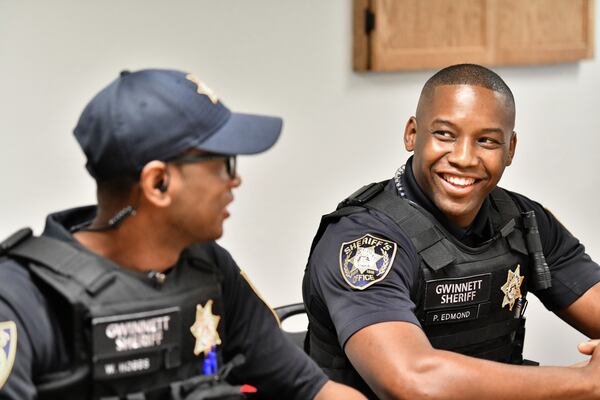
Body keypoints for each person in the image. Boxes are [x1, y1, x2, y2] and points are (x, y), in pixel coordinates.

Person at [0, 69, 366, 400]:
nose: (234, 180)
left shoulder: (209, 267)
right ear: (158, 183)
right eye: (224, 163)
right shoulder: (21, 300)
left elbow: (312, 389)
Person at [303, 63, 600, 399]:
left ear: (510, 149)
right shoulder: (364, 243)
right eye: (445, 134)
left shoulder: (524, 222)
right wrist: (585, 383)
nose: (463, 158)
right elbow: (412, 382)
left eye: (486, 140)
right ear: (412, 134)